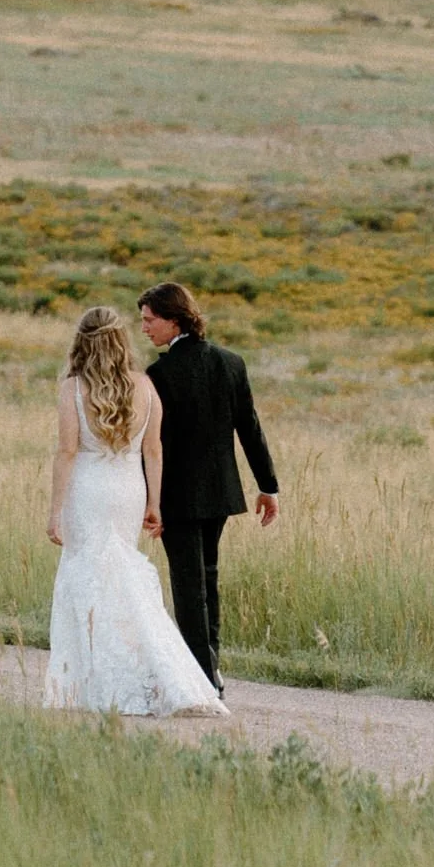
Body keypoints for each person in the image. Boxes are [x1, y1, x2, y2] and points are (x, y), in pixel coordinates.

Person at [44, 304, 226, 716]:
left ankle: (97, 682)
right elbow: (153, 450)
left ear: (82, 343)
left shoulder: (73, 389)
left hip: (89, 489)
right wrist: (153, 503)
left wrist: (55, 511)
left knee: (89, 578)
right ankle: (155, 675)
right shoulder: (144, 386)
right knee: (122, 575)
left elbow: (67, 451)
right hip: (128, 488)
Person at [139, 280, 279, 696]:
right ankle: (210, 667)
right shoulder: (231, 363)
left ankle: (201, 677)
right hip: (221, 492)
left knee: (188, 586)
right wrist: (268, 486)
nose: (144, 328)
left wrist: (149, 501)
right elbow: (250, 429)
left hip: (177, 496)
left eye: (150, 321)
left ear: (174, 319)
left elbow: (152, 446)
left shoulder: (159, 374)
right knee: (208, 580)